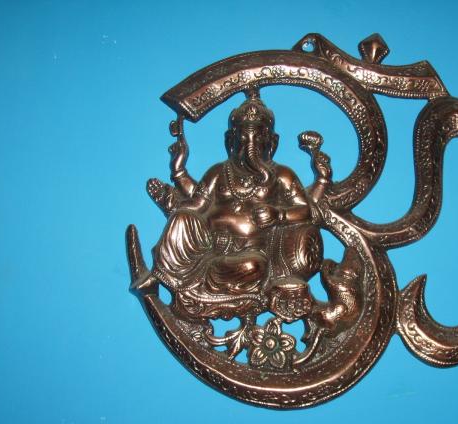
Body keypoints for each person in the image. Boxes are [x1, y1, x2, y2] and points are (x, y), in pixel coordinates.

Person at [138, 90, 323, 320]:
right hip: (207, 245)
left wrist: (279, 215)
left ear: (272, 142)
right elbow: (198, 203)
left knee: (253, 267)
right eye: (243, 139)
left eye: (258, 139)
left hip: (249, 252)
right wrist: (179, 171)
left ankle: (201, 285)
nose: (250, 145)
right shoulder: (218, 171)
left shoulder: (282, 175)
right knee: (182, 217)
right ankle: (161, 274)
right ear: (230, 140)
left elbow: (306, 211)